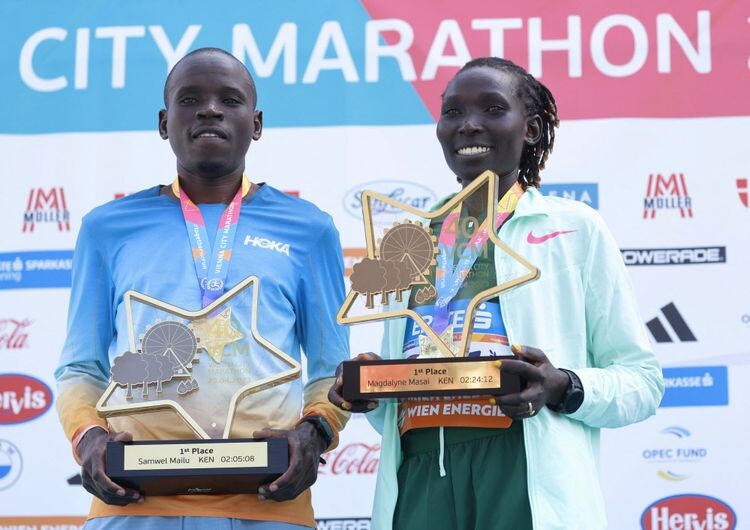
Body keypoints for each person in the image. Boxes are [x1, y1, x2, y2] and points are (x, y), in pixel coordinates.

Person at [329, 57, 664, 530]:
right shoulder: (410, 238)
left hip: (521, 469)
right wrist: (370, 391)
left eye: (492, 108)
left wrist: (562, 386)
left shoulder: (574, 230)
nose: (468, 125)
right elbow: (397, 409)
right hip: (420, 477)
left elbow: (642, 381)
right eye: (452, 112)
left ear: (531, 129)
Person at [55, 47, 350, 530]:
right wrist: (88, 436)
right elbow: (80, 366)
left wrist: (315, 431)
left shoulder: (309, 229)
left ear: (256, 123)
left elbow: (330, 371)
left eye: (229, 100)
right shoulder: (106, 229)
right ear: (163, 122)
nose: (209, 110)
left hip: (269, 506)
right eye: (189, 99)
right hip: (135, 506)